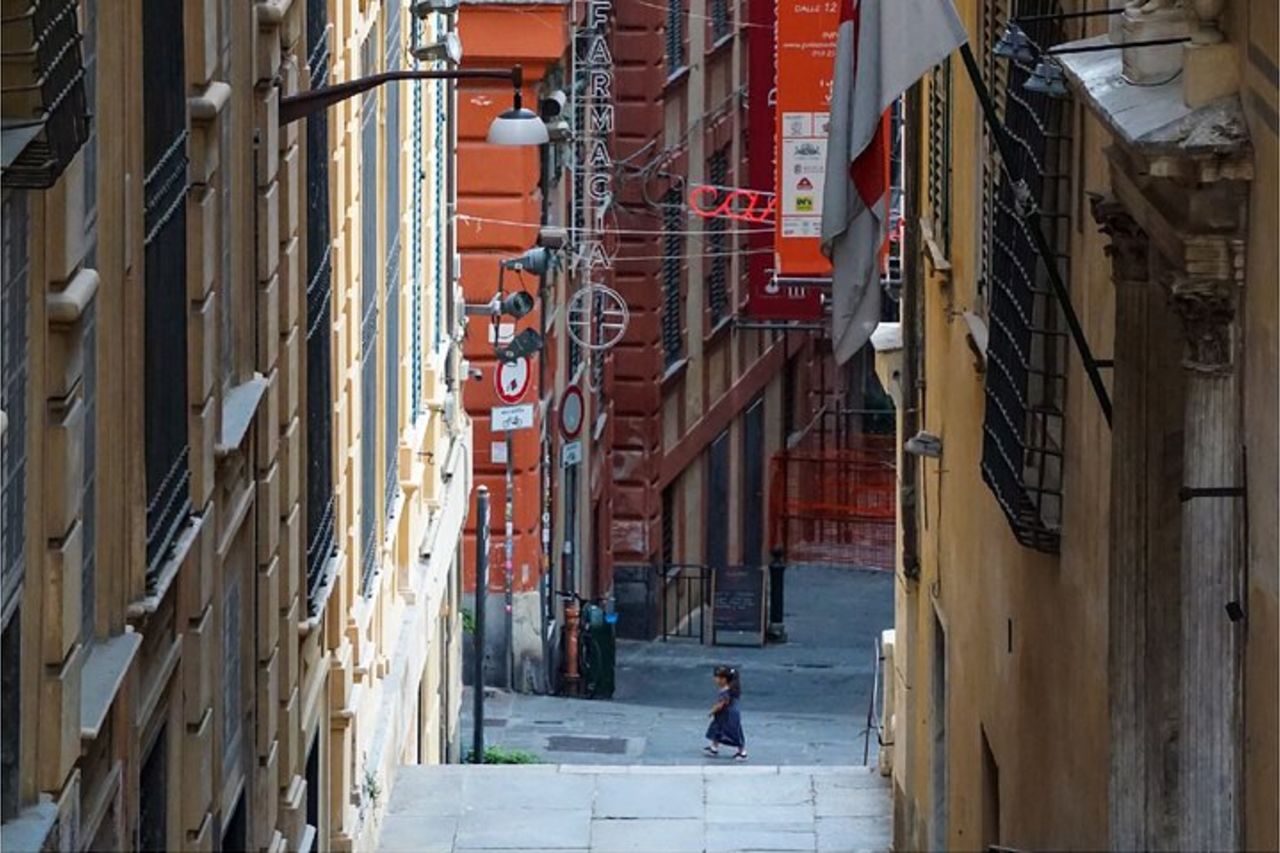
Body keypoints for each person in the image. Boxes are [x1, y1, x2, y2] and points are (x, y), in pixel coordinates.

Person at [704, 665, 747, 760]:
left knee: (733, 733)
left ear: (723, 679)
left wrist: (712, 711)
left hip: (728, 716)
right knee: (717, 730)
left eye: (717, 677)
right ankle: (714, 747)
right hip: (723, 716)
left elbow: (722, 704)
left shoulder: (726, 691)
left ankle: (742, 751)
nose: (715, 680)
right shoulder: (730, 689)